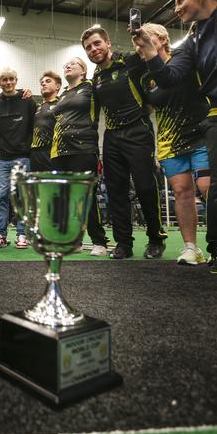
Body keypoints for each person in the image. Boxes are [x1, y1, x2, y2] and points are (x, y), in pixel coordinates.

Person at [133, 0, 217, 275]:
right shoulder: (192, 41)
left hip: (200, 126)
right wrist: (149, 51)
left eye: (180, 0)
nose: (176, 8)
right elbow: (169, 78)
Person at [83, 26, 167, 259]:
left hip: (138, 131)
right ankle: (124, 244)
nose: (93, 49)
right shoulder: (96, 78)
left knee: (145, 186)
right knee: (115, 192)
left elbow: (153, 62)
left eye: (97, 43)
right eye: (88, 47)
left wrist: (142, 38)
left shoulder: (130, 62)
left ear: (108, 43)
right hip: (111, 137)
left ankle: (155, 239)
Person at [138, 23, 210, 265]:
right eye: (137, 43)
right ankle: (192, 248)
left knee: (210, 188)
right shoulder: (148, 76)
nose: (140, 46)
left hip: (200, 133)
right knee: (181, 192)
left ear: (162, 38)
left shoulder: (184, 58)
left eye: (145, 39)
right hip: (169, 140)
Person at [50, 57, 109, 256]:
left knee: (87, 196)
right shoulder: (64, 93)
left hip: (83, 149)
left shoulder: (91, 87)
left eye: (72, 64)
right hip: (60, 152)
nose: (67, 65)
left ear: (83, 71)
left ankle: (99, 241)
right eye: (65, 64)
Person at [0, 67, 37, 249]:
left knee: (22, 197)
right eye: (4, 80)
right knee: (1, 196)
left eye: (11, 79)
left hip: (24, 158)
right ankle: (0, 234)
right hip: (4, 159)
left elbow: (34, 126)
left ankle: (22, 234)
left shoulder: (28, 100)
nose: (8, 83)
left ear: (16, 80)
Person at [30, 71, 61, 172]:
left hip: (52, 152)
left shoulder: (61, 104)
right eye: (42, 82)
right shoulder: (37, 107)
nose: (43, 83)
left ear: (57, 86)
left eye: (48, 81)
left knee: (52, 186)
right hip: (35, 153)